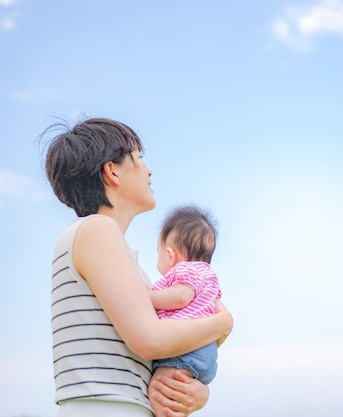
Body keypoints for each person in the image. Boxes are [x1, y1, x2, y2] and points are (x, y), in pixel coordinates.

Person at [42, 117, 233, 417]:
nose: (149, 169)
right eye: (139, 158)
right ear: (112, 171)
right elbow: (150, 340)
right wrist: (225, 324)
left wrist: (196, 391)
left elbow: (164, 348)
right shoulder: (97, 230)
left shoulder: (115, 251)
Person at [148, 205, 224, 417]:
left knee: (159, 392)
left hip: (185, 351)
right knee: (176, 398)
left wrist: (145, 297)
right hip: (204, 352)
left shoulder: (185, 270)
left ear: (170, 255)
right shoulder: (208, 276)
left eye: (158, 252)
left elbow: (180, 297)